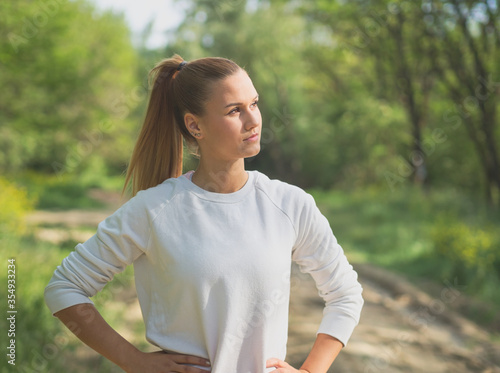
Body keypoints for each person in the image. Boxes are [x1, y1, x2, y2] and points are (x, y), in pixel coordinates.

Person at [44, 54, 364, 373]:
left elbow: (345, 293)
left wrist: (311, 370)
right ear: (195, 125)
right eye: (234, 110)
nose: (252, 120)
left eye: (254, 104)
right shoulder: (153, 210)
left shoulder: (290, 204)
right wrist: (135, 362)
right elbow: (64, 288)